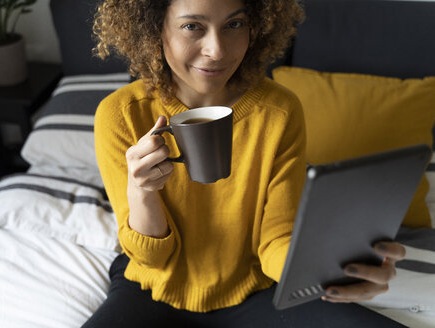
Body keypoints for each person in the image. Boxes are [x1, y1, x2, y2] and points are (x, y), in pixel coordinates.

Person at [83, 0, 407, 327]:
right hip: (151, 288)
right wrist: (142, 191)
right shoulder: (121, 114)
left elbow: (275, 240)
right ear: (155, 30)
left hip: (254, 291)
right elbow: (151, 258)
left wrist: (332, 272)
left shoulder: (280, 112)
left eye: (234, 25)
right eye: (192, 26)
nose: (217, 50)